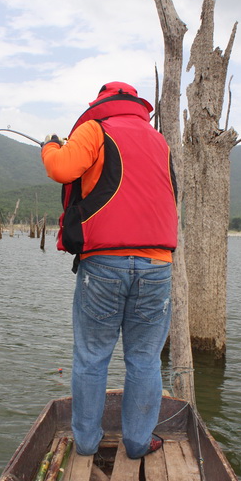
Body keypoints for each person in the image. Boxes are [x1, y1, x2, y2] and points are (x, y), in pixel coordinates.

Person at [40, 82, 179, 459]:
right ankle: (137, 443)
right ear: (137, 106)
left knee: (92, 356)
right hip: (157, 265)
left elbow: (62, 168)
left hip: (103, 264)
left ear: (102, 103)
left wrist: (50, 145)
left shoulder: (95, 129)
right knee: (145, 359)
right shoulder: (159, 140)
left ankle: (85, 443)